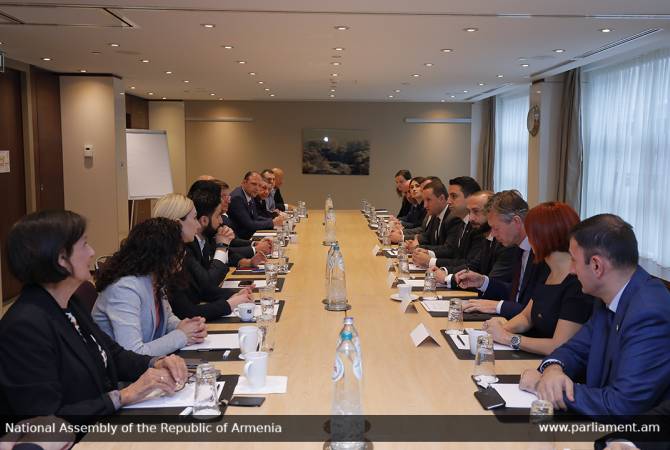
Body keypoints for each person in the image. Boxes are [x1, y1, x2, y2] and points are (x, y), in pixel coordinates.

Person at [0, 210, 187, 419]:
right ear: (61, 259)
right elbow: (46, 419)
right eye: (84, 244)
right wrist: (124, 396)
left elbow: (113, 354)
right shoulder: (25, 326)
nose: (92, 252)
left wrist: (156, 362)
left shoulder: (70, 303)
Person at [519, 214, 670, 419]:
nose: (571, 271)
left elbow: (623, 405)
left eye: (574, 260)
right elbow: (574, 349)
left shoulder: (649, 313)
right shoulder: (609, 295)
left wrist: (542, 386)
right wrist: (553, 369)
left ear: (597, 266)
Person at [481, 202, 594, 355]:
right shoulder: (548, 271)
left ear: (544, 236)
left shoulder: (577, 283)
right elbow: (526, 317)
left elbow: (559, 345)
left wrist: (508, 338)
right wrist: (498, 329)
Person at [92, 218, 207, 357]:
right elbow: (133, 352)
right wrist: (182, 335)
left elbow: (166, 317)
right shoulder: (124, 289)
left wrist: (187, 327)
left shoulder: (154, 277)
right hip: (124, 375)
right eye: (177, 249)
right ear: (160, 253)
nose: (183, 253)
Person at [152, 193, 252, 320]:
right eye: (194, 218)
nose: (198, 225)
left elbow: (201, 289)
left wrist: (235, 295)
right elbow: (185, 312)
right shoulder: (166, 258)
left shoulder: (180, 251)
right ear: (178, 224)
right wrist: (230, 304)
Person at [453, 190, 550, 319]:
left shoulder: (543, 252)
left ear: (516, 222)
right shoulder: (518, 247)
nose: (492, 234)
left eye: (496, 228)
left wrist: (497, 306)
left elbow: (538, 311)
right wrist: (482, 282)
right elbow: (516, 292)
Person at [430, 190, 518, 287]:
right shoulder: (487, 238)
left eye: (476, 211)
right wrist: (444, 271)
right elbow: (473, 266)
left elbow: (492, 284)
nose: (470, 218)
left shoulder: (507, 243)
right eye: (469, 212)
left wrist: (447, 279)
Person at [412, 176, 483, 268]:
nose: (448, 201)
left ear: (470, 198)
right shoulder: (462, 222)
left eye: (454, 196)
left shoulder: (477, 227)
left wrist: (431, 261)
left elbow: (469, 264)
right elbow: (454, 254)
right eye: (449, 196)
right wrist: (428, 253)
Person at [405, 179, 462, 252]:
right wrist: (414, 242)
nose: (425, 205)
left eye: (428, 200)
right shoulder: (435, 214)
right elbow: (427, 237)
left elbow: (448, 249)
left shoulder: (453, 218)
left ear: (441, 198)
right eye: (424, 200)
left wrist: (418, 247)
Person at [228, 171, 284, 239]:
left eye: (259, 185)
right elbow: (249, 225)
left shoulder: (250, 194)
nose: (257, 188)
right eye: (254, 184)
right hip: (241, 239)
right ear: (244, 182)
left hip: (250, 234)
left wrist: (273, 221)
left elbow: (256, 217)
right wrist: (272, 222)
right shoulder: (237, 198)